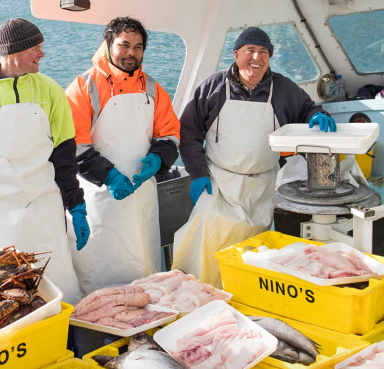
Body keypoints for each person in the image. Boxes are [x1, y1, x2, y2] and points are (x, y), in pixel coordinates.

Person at [172, 26, 336, 287]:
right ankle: (196, 292)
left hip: (263, 186)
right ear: (236, 54)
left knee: (251, 251)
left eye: (263, 52)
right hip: (219, 182)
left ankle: (240, 296)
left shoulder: (283, 88)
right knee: (203, 236)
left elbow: (307, 109)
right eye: (250, 50)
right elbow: (188, 131)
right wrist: (198, 173)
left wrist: (318, 115)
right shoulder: (213, 87)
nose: (257, 58)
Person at [0, 17, 89, 304]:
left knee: (59, 286)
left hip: (45, 206)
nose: (42, 54)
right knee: (4, 295)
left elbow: (64, 157)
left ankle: (66, 327)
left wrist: (76, 204)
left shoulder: (51, 91)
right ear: (13, 51)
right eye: (35, 48)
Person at [66, 16, 180, 295]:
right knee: (98, 285)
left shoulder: (152, 88)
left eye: (138, 47)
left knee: (145, 280)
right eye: (124, 45)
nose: (131, 53)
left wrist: (158, 159)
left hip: (141, 199)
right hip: (98, 200)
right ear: (108, 44)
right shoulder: (84, 86)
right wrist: (109, 176)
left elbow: (170, 134)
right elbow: (73, 145)